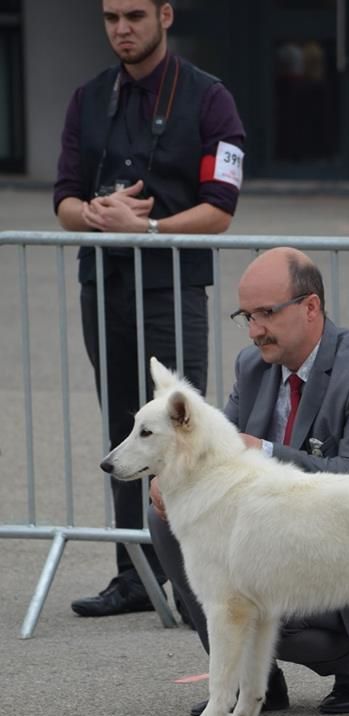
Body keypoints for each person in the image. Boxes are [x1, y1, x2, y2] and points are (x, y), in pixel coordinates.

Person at [148, 247, 349, 715]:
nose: (255, 330)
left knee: (277, 617)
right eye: (246, 315)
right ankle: (250, 684)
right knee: (168, 514)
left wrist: (264, 451)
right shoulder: (251, 366)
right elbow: (213, 454)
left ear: (310, 307)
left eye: (267, 314)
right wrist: (169, 478)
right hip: (281, 550)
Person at [53, 0, 245, 617]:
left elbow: (219, 209)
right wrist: (97, 217)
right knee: (124, 425)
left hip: (172, 286)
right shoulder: (87, 98)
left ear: (165, 15)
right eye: (110, 18)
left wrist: (151, 228)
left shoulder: (210, 98)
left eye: (134, 15)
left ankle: (195, 579)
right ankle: (133, 575)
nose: (121, 29)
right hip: (103, 284)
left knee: (183, 432)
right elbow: (63, 201)